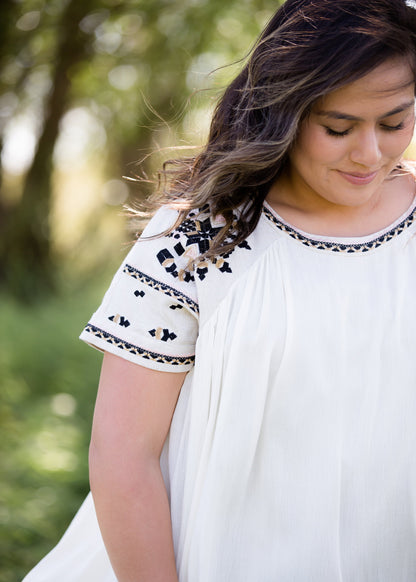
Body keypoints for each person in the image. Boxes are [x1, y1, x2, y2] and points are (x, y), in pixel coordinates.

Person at [23, 0, 416, 580]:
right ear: (282, 111)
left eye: (394, 123)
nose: (370, 154)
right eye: (338, 128)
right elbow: (123, 455)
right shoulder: (197, 242)